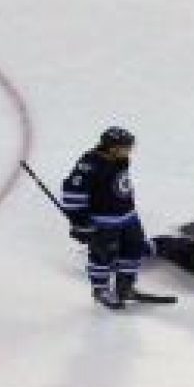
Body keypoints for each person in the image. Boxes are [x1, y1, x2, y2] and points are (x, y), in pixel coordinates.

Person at [60, 126, 154, 309]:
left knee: (134, 249)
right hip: (104, 222)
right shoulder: (90, 165)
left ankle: (125, 287)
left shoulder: (119, 159)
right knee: (102, 255)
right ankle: (101, 290)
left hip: (129, 217)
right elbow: (72, 193)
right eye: (126, 147)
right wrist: (80, 223)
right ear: (112, 147)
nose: (129, 150)